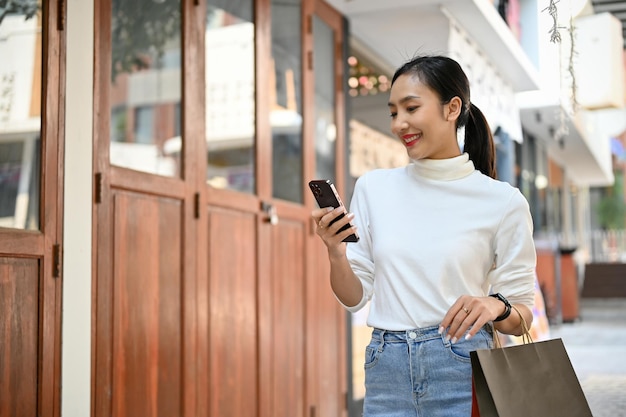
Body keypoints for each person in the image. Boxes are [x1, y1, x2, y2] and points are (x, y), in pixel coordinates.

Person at [311, 55, 536, 417]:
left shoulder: (503, 202)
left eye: (411, 108)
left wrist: (496, 305)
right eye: (393, 112)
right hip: (387, 370)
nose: (399, 124)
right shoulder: (373, 188)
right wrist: (336, 253)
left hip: (462, 367)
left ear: (452, 109)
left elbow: (523, 316)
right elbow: (354, 298)